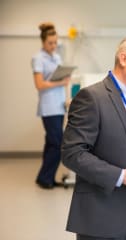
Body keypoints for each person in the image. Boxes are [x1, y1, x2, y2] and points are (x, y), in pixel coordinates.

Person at [61, 35, 126, 240]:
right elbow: (72, 153)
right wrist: (121, 176)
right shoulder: (91, 97)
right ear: (124, 58)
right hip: (101, 214)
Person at [31, 22, 70, 189]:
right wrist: (60, 81)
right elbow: (39, 84)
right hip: (48, 108)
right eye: (50, 43)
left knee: (51, 144)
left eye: (55, 42)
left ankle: (45, 178)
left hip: (59, 106)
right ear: (43, 42)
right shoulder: (37, 58)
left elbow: (60, 82)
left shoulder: (57, 57)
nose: (54, 46)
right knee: (57, 144)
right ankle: (45, 178)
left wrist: (66, 95)